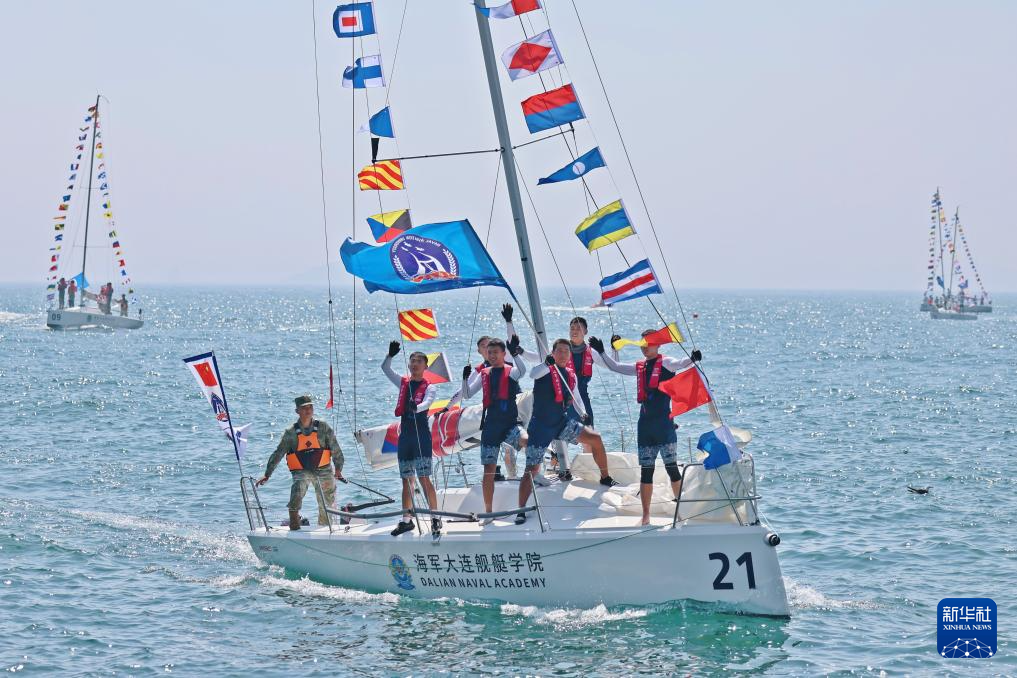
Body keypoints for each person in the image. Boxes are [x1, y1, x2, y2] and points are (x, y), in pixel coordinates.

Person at [590, 332, 702, 525]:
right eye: (642, 343)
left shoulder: (667, 363)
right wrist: (601, 352)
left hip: (664, 426)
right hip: (645, 426)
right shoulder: (639, 367)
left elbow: (681, 363)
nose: (645, 347)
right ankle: (646, 515)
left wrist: (692, 358)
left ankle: (681, 512)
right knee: (646, 472)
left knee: (672, 469)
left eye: (650, 343)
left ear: (658, 345)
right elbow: (615, 367)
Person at [502, 304, 616, 480]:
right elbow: (536, 360)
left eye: (578, 328)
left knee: (588, 439)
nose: (574, 331)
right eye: (572, 328)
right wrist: (519, 350)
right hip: (560, 400)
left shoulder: (590, 353)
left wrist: (610, 350)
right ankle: (560, 469)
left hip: (580, 399)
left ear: (586, 331)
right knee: (559, 439)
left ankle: (591, 472)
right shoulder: (558, 352)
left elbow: (612, 365)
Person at [521, 339, 618, 525]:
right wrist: (546, 363)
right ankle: (521, 509)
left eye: (567, 351)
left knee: (595, 438)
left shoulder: (571, 374)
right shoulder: (545, 369)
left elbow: (576, 397)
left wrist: (584, 414)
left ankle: (605, 477)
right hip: (541, 427)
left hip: (561, 424)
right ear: (553, 353)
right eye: (560, 351)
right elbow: (533, 373)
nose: (563, 354)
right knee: (531, 469)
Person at [452, 336, 527, 523]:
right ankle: (488, 512)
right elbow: (467, 394)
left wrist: (515, 353)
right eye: (489, 352)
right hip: (491, 427)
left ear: (503, 354)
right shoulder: (484, 373)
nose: (492, 355)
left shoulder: (511, 372)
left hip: (510, 425)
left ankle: (533, 477)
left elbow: (523, 370)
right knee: (489, 470)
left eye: (496, 352)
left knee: (528, 442)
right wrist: (464, 379)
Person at [256, 395, 345, 530]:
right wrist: (267, 474)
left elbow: (335, 448)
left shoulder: (323, 427)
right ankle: (294, 523)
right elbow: (278, 453)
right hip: (302, 470)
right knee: (297, 489)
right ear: (297, 411)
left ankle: (325, 528)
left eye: (310, 407)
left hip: (324, 469)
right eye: (304, 408)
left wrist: (338, 469)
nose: (308, 410)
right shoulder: (290, 433)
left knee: (327, 501)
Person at [382, 342, 442, 537]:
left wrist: (417, 407)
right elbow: (385, 368)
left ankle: (435, 518)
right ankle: (406, 521)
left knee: (424, 478)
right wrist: (390, 355)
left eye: (419, 362)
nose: (415, 364)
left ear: (425, 366)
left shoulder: (430, 387)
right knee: (406, 480)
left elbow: (427, 402)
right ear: (409, 365)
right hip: (405, 438)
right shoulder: (403, 383)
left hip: (421, 437)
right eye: (412, 361)